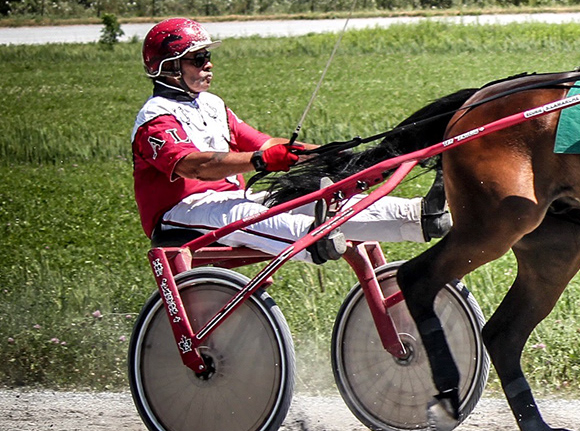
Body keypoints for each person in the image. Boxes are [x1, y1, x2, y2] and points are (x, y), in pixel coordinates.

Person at [131, 17, 441, 258]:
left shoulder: (212, 105)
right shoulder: (156, 116)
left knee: (299, 200)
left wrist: (329, 154)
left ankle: (416, 216)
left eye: (207, 55)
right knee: (247, 213)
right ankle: (315, 239)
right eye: (197, 58)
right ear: (168, 67)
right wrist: (260, 161)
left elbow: (265, 145)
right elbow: (192, 166)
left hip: (225, 201)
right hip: (180, 213)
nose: (208, 63)